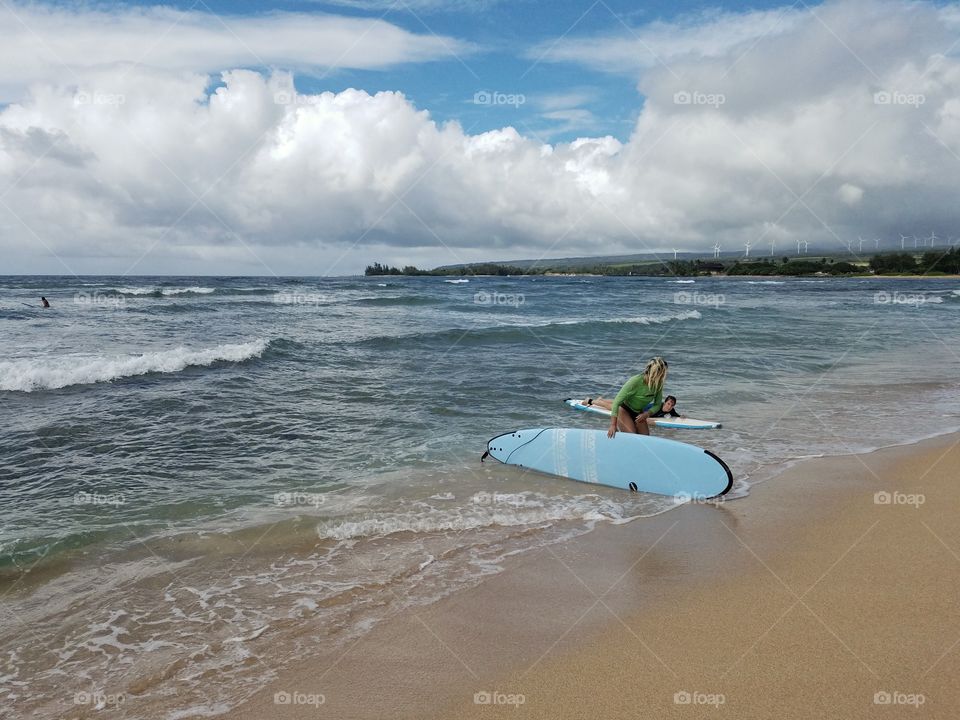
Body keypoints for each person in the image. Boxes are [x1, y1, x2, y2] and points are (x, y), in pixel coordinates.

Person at [606, 357, 669, 438]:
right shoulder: (635, 381)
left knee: (645, 438)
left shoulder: (658, 385)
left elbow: (657, 404)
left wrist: (647, 414)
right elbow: (616, 402)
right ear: (656, 373)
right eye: (663, 373)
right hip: (624, 410)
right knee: (633, 437)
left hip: (639, 413)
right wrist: (613, 425)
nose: (664, 376)